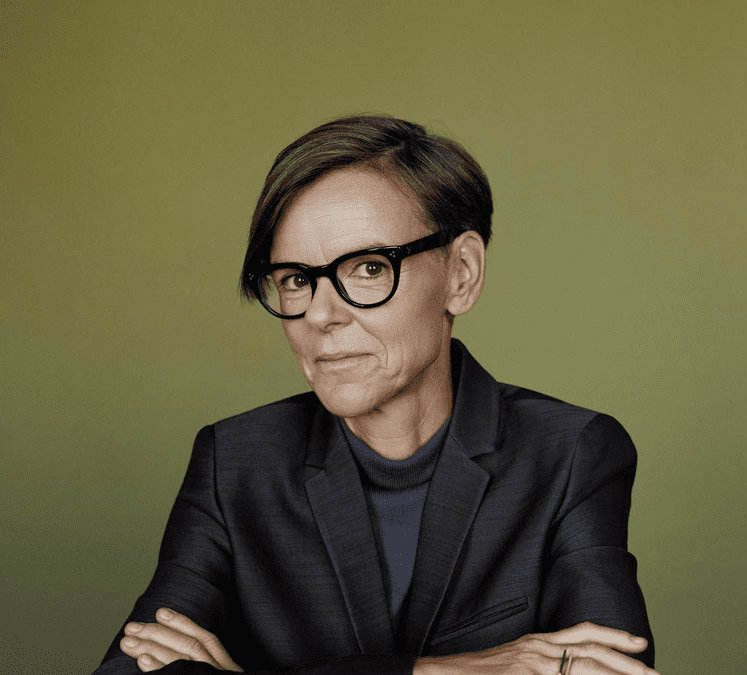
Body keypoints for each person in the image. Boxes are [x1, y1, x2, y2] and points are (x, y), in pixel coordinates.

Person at [92, 115, 656, 675]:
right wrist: (446, 671)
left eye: (367, 268)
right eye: (295, 279)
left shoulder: (569, 453)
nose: (319, 314)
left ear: (461, 273)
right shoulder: (235, 462)